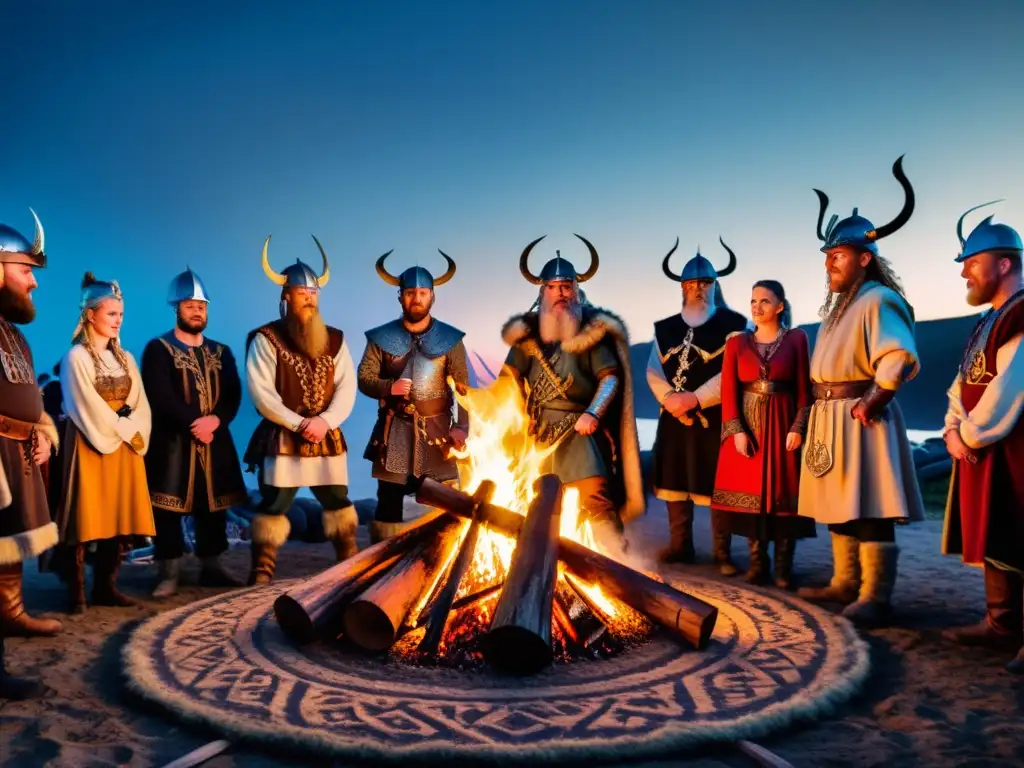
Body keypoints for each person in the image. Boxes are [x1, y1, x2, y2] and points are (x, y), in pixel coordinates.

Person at [795, 156, 925, 627]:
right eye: (828, 256)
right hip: (831, 415)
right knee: (840, 505)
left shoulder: (877, 299)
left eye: (839, 256)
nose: (830, 263)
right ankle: (844, 582)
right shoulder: (840, 307)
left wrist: (874, 400)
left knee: (871, 505)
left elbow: (897, 355)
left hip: (860, 415)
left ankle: (874, 595)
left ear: (864, 258)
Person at [500, 236, 644, 546]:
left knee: (593, 498)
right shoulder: (528, 336)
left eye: (566, 287)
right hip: (537, 432)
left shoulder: (590, 332)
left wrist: (593, 412)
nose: (560, 293)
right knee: (538, 502)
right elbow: (507, 381)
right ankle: (545, 565)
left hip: (578, 432)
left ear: (576, 291)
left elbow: (610, 378)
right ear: (543, 292)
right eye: (553, 287)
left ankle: (615, 559)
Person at [939, 201, 1024, 674]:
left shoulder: (1021, 314)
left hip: (1013, 445)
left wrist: (969, 435)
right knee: (998, 530)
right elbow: (963, 381)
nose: (964, 273)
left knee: (1020, 527)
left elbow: (1011, 383)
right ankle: (1002, 624)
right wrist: (953, 427)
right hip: (983, 445)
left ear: (1004, 263)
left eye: (972, 262)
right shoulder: (989, 318)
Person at [244, 235, 358, 585]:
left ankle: (351, 565)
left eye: (314, 293)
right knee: (275, 502)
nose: (309, 297)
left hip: (326, 433)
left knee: (337, 500)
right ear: (286, 295)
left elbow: (347, 387)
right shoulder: (266, 338)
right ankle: (262, 572)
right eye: (302, 292)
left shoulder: (335, 339)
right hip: (282, 434)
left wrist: (324, 422)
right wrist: (299, 423)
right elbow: (261, 393)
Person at [141, 267, 248, 597]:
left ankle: (212, 566)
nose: (197, 310)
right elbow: (160, 396)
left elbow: (233, 393)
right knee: (168, 509)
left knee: (213, 506)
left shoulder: (222, 351)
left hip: (214, 439)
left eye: (201, 306)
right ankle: (169, 571)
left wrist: (215, 421)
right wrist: (195, 423)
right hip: (172, 442)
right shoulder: (158, 349)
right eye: (190, 305)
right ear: (177, 308)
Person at [647, 238, 748, 572]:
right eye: (691, 283)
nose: (697, 289)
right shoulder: (665, 328)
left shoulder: (734, 324)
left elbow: (734, 371)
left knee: (718, 483)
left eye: (704, 283)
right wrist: (671, 401)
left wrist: (694, 399)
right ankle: (681, 546)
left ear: (715, 285)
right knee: (675, 479)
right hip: (673, 418)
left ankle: (722, 553)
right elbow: (653, 371)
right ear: (681, 287)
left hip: (715, 416)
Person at [56, 273, 155, 613]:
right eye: (111, 313)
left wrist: (130, 428)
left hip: (124, 446)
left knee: (118, 516)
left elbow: (139, 400)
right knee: (86, 517)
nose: (118, 321)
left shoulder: (126, 358)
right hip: (90, 441)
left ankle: (105, 586)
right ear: (89, 315)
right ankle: (76, 591)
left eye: (121, 315)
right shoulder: (76, 358)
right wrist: (120, 427)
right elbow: (83, 402)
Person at [358, 250, 470, 542]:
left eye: (422, 293)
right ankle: (381, 570)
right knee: (388, 505)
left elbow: (464, 390)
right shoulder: (380, 338)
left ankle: (442, 564)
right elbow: (364, 378)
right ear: (400, 297)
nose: (416, 298)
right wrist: (388, 387)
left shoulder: (450, 339)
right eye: (410, 292)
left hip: (438, 433)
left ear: (432, 296)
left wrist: (462, 427)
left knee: (444, 508)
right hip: (394, 430)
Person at [711, 280, 816, 588]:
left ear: (780, 307)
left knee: (784, 497)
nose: (756, 307)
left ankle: (783, 568)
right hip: (749, 426)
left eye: (764, 302)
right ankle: (759, 564)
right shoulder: (736, 343)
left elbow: (803, 390)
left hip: (784, 425)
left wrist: (799, 426)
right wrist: (737, 431)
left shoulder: (797, 339)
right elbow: (728, 391)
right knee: (751, 499)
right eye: (753, 301)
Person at [0, 210, 61, 699]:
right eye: (26, 271)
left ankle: (9, 621)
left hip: (14, 452)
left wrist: (41, 429)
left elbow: (26, 394)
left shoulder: (14, 332)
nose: (33, 283)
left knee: (7, 549)